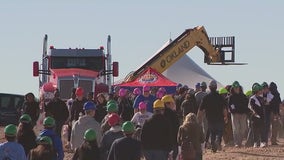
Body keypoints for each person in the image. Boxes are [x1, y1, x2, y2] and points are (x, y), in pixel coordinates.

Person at [197, 80, 227, 152]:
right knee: (219, 132)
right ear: (216, 87)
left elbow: (200, 110)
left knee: (212, 132)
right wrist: (225, 116)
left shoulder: (206, 98)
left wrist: (198, 119)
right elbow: (224, 108)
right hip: (219, 118)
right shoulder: (220, 97)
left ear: (209, 87)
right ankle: (217, 141)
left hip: (210, 118)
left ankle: (214, 146)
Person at [228, 81, 249, 147]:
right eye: (235, 87)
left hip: (243, 114)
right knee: (236, 128)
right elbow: (230, 105)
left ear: (239, 87)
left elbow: (247, 105)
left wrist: (246, 111)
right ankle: (237, 143)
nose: (236, 89)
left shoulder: (244, 96)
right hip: (235, 114)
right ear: (233, 88)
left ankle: (240, 141)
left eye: (237, 87)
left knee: (243, 128)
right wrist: (233, 111)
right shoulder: (231, 97)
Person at [162, 95, 180, 160]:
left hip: (162, 143)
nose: (174, 105)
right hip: (173, 141)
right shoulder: (173, 114)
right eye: (172, 103)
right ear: (167, 104)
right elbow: (177, 128)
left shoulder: (159, 114)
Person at [248, 83, 266, 148]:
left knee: (262, 130)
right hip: (254, 117)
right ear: (257, 91)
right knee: (255, 130)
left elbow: (263, 106)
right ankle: (255, 143)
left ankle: (262, 142)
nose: (261, 91)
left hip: (261, 117)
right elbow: (250, 106)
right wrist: (254, 112)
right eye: (260, 90)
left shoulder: (261, 98)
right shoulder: (252, 98)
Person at [195, 82, 209, 147]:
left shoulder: (196, 94)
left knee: (199, 127)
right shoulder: (207, 94)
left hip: (198, 112)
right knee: (205, 127)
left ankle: (199, 141)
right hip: (205, 112)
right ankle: (205, 141)